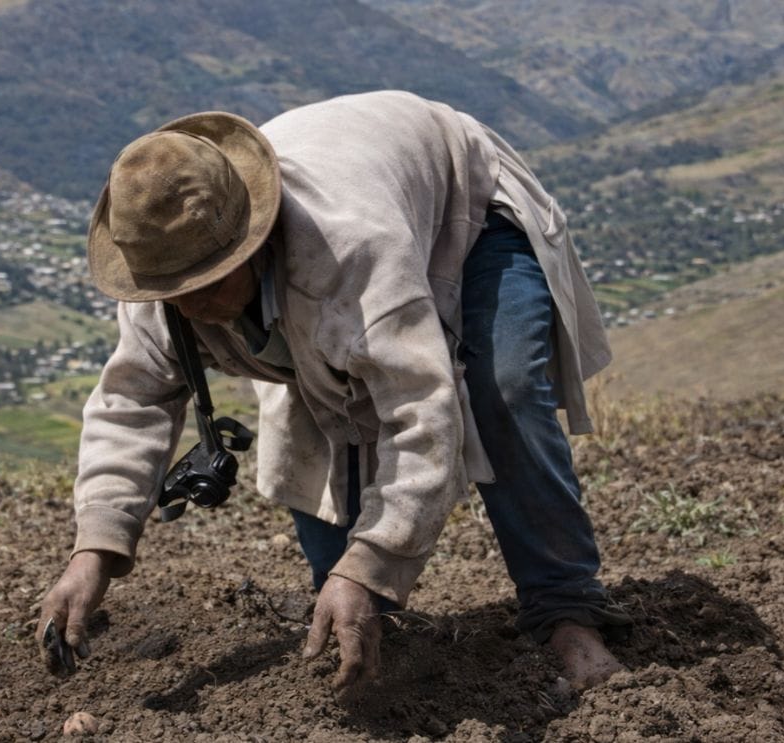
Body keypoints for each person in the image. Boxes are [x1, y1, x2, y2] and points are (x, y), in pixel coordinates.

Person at [37, 90, 630, 693]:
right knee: (310, 432)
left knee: (503, 390)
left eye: (208, 283)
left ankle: (566, 612)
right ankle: (357, 610)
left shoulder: (350, 249)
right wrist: (96, 550)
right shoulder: (162, 277)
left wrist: (372, 566)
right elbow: (131, 402)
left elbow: (420, 412)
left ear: (254, 240)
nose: (190, 305)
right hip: (345, 244)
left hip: (466, 214)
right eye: (173, 290)